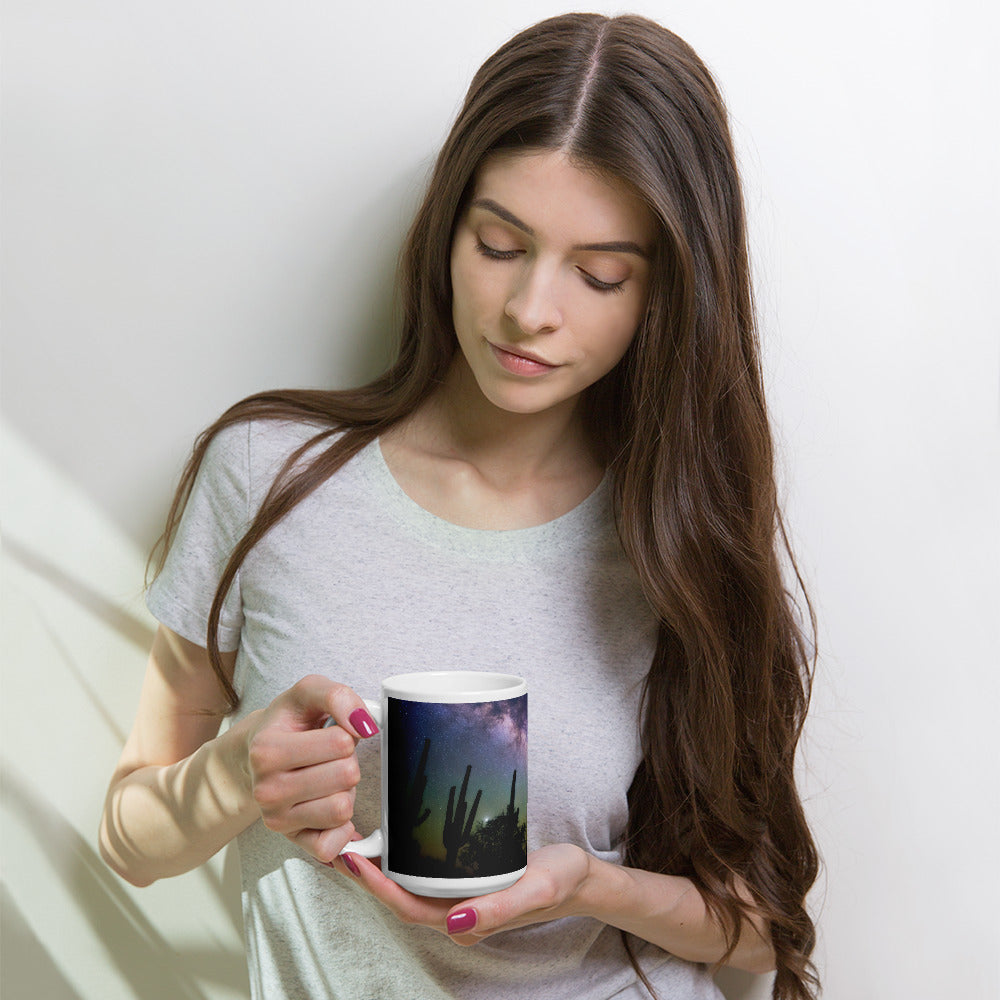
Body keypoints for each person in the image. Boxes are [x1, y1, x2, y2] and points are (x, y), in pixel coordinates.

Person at [99, 12, 819, 1000]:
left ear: (664, 297)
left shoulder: (673, 536)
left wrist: (592, 884)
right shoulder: (266, 476)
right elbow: (130, 840)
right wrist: (234, 775)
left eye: (600, 273)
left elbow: (758, 929)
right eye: (497, 243)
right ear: (447, 229)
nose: (531, 309)